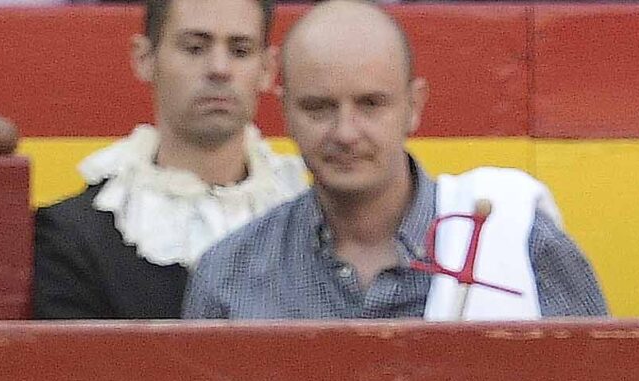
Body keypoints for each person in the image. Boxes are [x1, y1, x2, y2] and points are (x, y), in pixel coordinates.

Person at [185, 0, 604, 320]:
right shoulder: (230, 277)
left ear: (413, 106)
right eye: (318, 108)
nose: (345, 132)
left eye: (370, 105)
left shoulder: (519, 242)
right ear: (286, 112)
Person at [31, 0, 307, 320]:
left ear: (267, 69)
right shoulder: (74, 235)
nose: (219, 68)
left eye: (240, 50)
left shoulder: (320, 224)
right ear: (144, 58)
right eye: (194, 47)